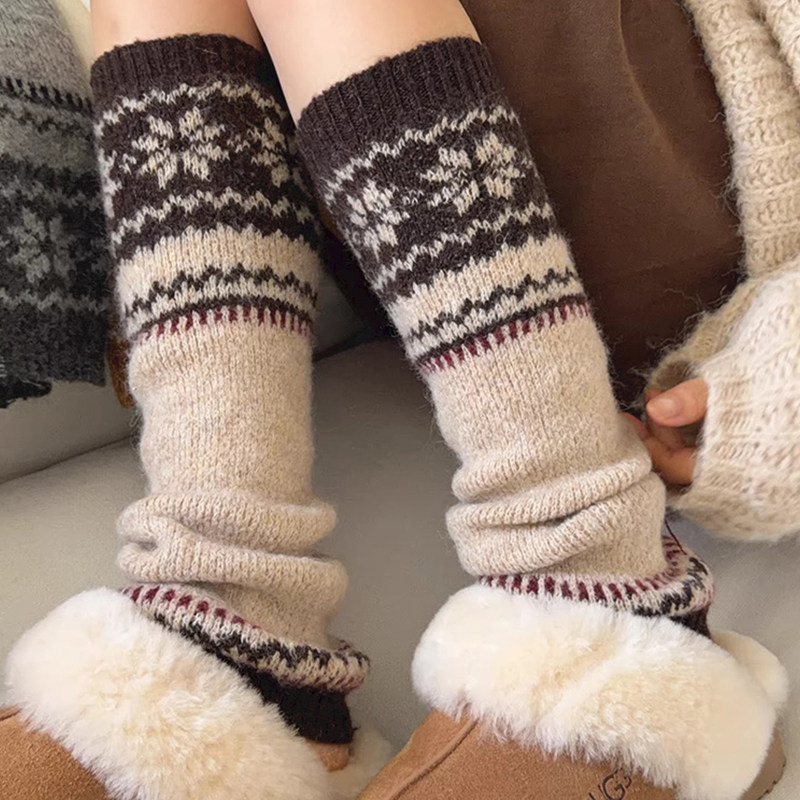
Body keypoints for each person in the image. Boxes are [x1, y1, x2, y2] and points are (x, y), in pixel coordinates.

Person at [1, 1, 797, 798]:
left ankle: (603, 579)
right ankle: (231, 610)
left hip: (697, 264)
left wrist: (777, 389)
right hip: (422, 239)